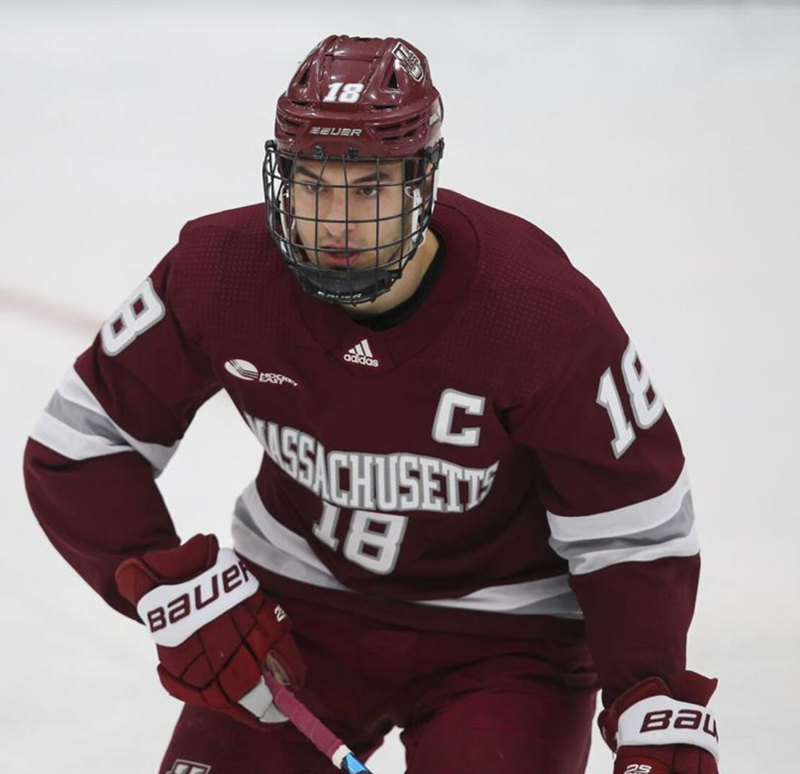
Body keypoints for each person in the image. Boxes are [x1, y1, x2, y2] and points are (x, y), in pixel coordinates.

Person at [24, 35, 720, 774]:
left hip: (508, 642)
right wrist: (170, 583)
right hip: (295, 618)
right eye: (314, 185)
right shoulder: (217, 272)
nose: (336, 223)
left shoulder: (538, 313)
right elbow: (81, 443)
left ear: (423, 180)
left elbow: (631, 523)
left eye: (368, 190)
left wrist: (649, 693)